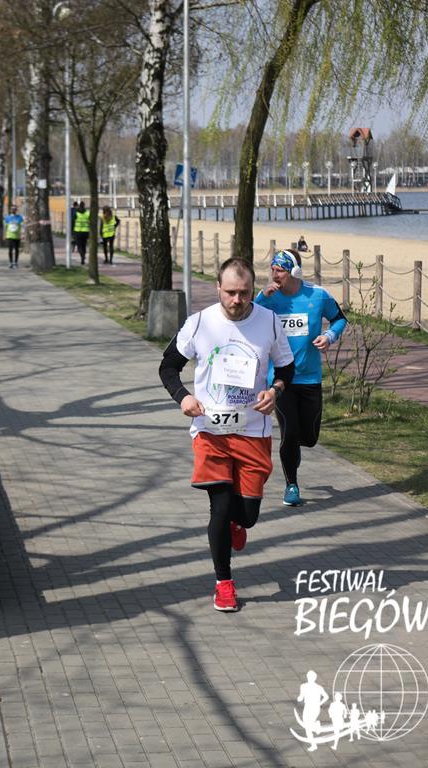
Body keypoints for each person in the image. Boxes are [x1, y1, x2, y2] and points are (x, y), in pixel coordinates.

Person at [159, 258, 294, 612]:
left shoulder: (269, 322)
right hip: (211, 430)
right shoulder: (199, 323)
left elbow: (286, 368)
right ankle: (224, 583)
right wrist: (183, 397)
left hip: (253, 431)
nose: (237, 300)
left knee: (247, 515)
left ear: (253, 290)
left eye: (244, 293)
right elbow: (168, 367)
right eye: (230, 292)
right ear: (217, 287)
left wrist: (275, 390)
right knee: (218, 508)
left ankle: (239, 521)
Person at [255, 249, 347, 506]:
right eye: (273, 270)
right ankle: (291, 485)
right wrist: (261, 297)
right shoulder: (268, 299)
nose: (275, 275)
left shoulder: (317, 296)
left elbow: (340, 319)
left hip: (310, 379)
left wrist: (329, 336)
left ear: (294, 272)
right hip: (280, 381)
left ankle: (296, 451)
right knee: (289, 434)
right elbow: (247, 318)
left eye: (280, 271)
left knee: (309, 437)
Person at [297, 670, 329, 752]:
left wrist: (319, 703)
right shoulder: (303, 686)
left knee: (308, 727)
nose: (309, 678)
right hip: (307, 707)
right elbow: (301, 697)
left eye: (311, 677)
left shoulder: (318, 687)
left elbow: (326, 696)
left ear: (314, 678)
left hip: (314, 708)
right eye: (308, 676)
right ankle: (314, 742)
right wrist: (299, 698)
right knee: (306, 726)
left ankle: (316, 727)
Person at [73, 200, 90, 265]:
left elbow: (73, 221)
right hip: (85, 232)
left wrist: (72, 231)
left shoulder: (76, 213)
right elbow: (90, 221)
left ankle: (82, 256)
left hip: (78, 231)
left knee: (79, 246)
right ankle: (83, 256)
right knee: (84, 245)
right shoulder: (87, 213)